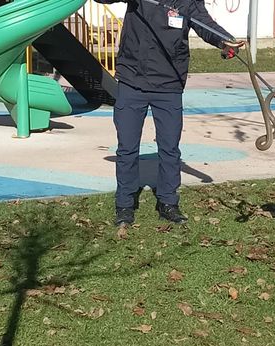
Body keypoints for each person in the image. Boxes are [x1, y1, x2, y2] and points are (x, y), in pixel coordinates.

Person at [95, 0, 243, 226]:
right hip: (132, 80)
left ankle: (168, 202)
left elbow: (204, 24)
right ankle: (124, 204)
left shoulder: (189, 2)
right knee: (127, 147)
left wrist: (225, 41)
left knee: (170, 148)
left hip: (169, 84)